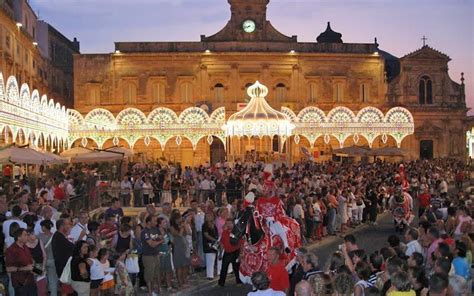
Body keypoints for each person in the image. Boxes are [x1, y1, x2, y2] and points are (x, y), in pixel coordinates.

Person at [5, 228, 37, 295]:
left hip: (30, 281)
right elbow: (8, 269)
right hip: (20, 283)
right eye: (25, 235)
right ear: (19, 237)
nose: (27, 237)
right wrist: (23, 268)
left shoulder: (25, 247)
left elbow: (30, 262)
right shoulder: (11, 250)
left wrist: (36, 269)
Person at [141, 214, 163, 296]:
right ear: (149, 222)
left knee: (156, 273)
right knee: (149, 274)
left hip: (156, 254)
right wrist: (158, 242)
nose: (156, 222)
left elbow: (162, 239)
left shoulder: (156, 229)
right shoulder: (144, 232)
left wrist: (157, 242)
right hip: (148, 255)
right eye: (154, 221)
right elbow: (152, 244)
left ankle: (155, 289)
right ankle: (150, 292)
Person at [52, 218, 75, 296]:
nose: (70, 226)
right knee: (66, 290)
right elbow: (72, 247)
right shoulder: (58, 237)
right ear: (62, 226)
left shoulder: (60, 236)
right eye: (68, 224)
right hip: (64, 269)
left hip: (66, 268)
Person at [218, 218, 243, 287]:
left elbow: (241, 244)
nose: (228, 225)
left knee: (236, 268)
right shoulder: (224, 232)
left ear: (233, 224)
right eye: (227, 223)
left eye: (230, 223)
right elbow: (222, 243)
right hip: (227, 252)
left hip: (235, 252)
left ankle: (239, 281)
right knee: (224, 268)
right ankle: (221, 282)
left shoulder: (237, 232)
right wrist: (220, 253)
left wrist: (240, 254)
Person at [38, 219, 58, 296]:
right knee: (53, 280)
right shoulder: (54, 236)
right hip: (52, 260)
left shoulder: (39, 237)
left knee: (39, 280)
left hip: (41, 261)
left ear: (44, 227)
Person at [202, 212, 218, 280]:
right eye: (208, 216)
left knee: (213, 258)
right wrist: (214, 239)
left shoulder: (213, 224)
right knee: (209, 259)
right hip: (208, 244)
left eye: (210, 215)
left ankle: (212, 273)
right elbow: (206, 235)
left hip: (214, 243)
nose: (210, 217)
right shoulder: (205, 225)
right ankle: (209, 275)